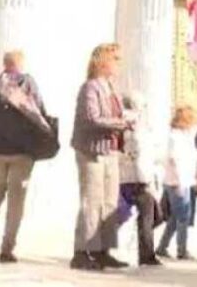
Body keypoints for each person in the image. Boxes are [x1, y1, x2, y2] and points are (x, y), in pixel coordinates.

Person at [0, 50, 50, 263]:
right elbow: (39, 114)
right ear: (21, 63)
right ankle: (7, 248)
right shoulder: (27, 84)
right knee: (16, 202)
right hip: (21, 151)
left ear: (4, 63)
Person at [70, 43, 132, 271]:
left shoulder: (111, 88)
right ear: (102, 61)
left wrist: (126, 118)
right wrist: (122, 123)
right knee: (92, 201)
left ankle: (103, 250)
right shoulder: (91, 87)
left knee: (109, 203)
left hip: (111, 150)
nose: (118, 63)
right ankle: (82, 251)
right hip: (92, 151)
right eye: (115, 58)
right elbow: (91, 118)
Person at [118, 93, 163, 267]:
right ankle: (146, 255)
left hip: (126, 176)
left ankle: (99, 246)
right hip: (139, 177)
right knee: (149, 217)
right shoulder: (135, 125)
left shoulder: (120, 122)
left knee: (128, 215)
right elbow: (142, 154)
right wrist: (149, 179)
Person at [157, 105, 197, 262]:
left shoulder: (183, 136)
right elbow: (174, 159)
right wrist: (181, 180)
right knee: (183, 217)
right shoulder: (175, 137)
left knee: (175, 217)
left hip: (183, 180)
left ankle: (162, 247)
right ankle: (182, 250)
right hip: (177, 181)